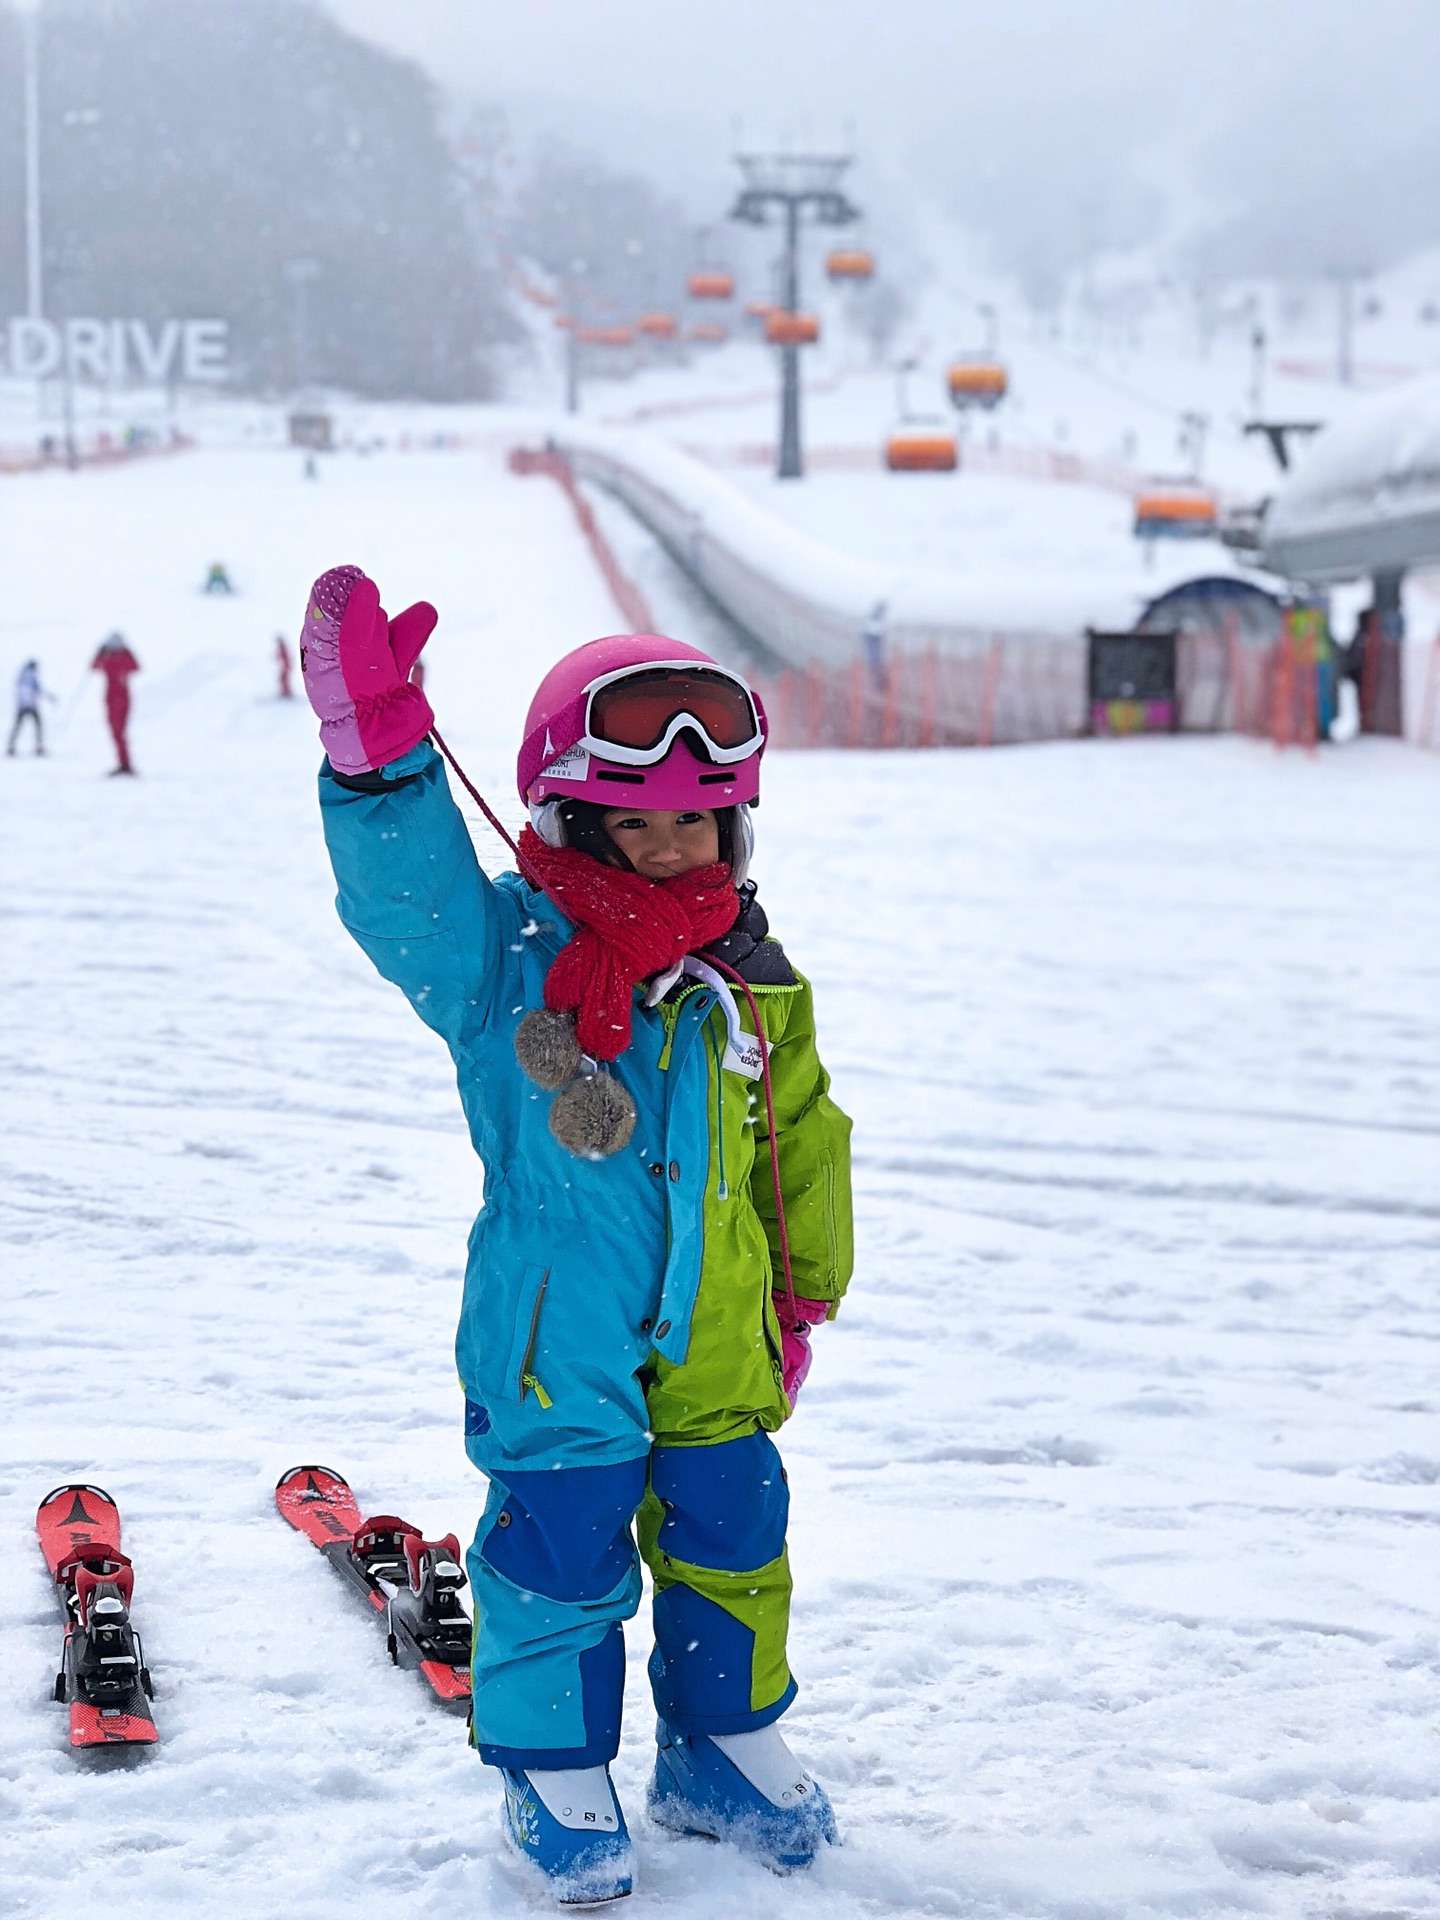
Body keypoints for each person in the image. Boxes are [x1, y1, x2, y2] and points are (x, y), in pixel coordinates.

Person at [304, 566, 852, 1902]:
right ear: (569, 820)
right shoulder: (508, 967)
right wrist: (380, 768)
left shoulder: (748, 984)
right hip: (560, 1333)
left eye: (702, 826)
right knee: (563, 1540)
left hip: (719, 1328)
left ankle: (721, 1739)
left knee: (733, 1526)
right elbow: (411, 903)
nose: (677, 855)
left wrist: (799, 1298)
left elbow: (802, 1138)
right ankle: (552, 1763)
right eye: (641, 827)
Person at [92, 634, 140, 775]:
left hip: (119, 698)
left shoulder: (114, 658)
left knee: (118, 732)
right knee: (116, 732)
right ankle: (123, 762)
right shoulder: (117, 657)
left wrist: (100, 654)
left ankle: (124, 763)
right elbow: (94, 667)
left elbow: (95, 666)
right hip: (113, 698)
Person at [7, 658, 54, 755]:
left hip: (22, 705)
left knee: (18, 726)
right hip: (29, 705)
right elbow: (34, 690)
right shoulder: (30, 676)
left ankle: (11, 747)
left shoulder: (21, 675)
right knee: (37, 726)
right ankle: (39, 746)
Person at [275, 634, 294, 699]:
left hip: (285, 665)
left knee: (283, 678)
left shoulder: (283, 648)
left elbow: (285, 657)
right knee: (282, 679)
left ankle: (286, 692)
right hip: (284, 665)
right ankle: (285, 691)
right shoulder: (281, 648)